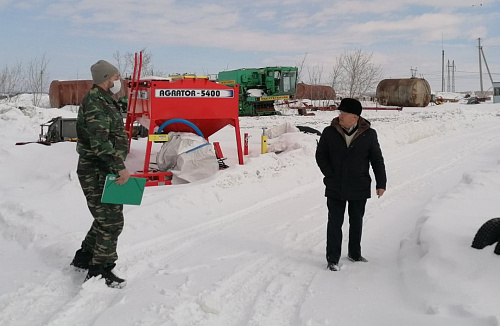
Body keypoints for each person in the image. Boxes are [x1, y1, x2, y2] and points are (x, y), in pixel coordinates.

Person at [70, 60, 130, 287]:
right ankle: (99, 270)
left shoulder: (105, 100)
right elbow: (100, 143)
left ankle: (84, 257)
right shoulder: (96, 103)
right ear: (106, 78)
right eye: (116, 77)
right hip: (97, 170)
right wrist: (120, 167)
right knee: (112, 222)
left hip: (105, 168)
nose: (118, 81)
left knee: (104, 218)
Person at [315, 98, 386, 271]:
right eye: (340, 113)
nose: (340, 116)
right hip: (335, 185)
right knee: (334, 223)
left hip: (359, 184)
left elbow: (376, 159)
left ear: (354, 117)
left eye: (344, 113)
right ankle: (333, 259)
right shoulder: (329, 132)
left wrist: (381, 182)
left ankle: (354, 253)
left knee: (356, 221)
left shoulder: (369, 134)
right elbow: (320, 155)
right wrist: (330, 174)